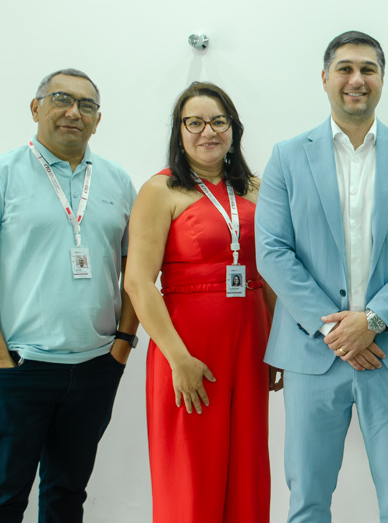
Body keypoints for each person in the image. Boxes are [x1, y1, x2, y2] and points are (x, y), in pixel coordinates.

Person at [255, 30, 388, 522]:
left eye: (368, 69)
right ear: (325, 78)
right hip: (312, 353)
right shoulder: (287, 157)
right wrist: (337, 330)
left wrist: (373, 321)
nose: (356, 79)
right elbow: (272, 252)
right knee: (307, 501)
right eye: (345, 68)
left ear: (382, 79)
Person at [0, 68, 138, 522]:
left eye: (86, 105)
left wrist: (121, 345)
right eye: (61, 99)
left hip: (95, 367)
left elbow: (135, 273)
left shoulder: (117, 182)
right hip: (20, 366)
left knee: (66, 494)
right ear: (36, 108)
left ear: (98, 120)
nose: (74, 112)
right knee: (3, 494)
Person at [124, 82, 281, 523]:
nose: (207, 131)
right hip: (187, 349)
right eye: (194, 122)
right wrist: (178, 358)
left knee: (247, 470)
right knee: (193, 474)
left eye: (218, 121)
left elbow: (271, 273)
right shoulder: (161, 190)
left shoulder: (255, 188)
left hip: (250, 345)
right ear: (179, 131)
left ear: (234, 129)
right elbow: (138, 282)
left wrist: (280, 344)